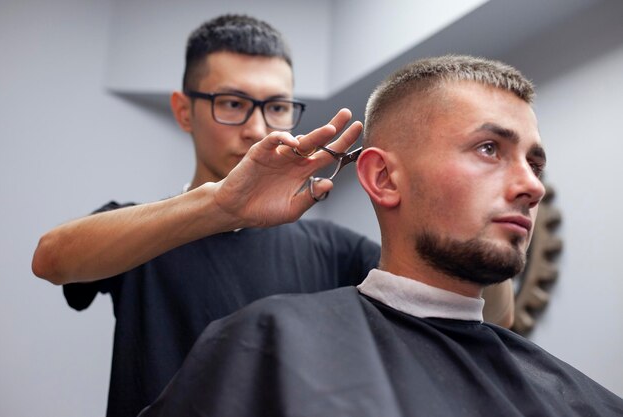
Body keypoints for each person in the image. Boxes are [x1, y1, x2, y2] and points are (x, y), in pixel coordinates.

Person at [31, 15, 514, 417]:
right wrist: (221, 206)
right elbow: (51, 259)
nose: (258, 129)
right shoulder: (141, 230)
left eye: (278, 107)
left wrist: (477, 203)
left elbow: (491, 316)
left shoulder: (334, 251)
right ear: (184, 111)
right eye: (234, 104)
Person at [138, 55, 623, 417]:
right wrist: (221, 206)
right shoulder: (268, 346)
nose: (532, 186)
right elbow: (56, 255)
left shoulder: (589, 402)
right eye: (490, 148)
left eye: (535, 163)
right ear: (384, 179)